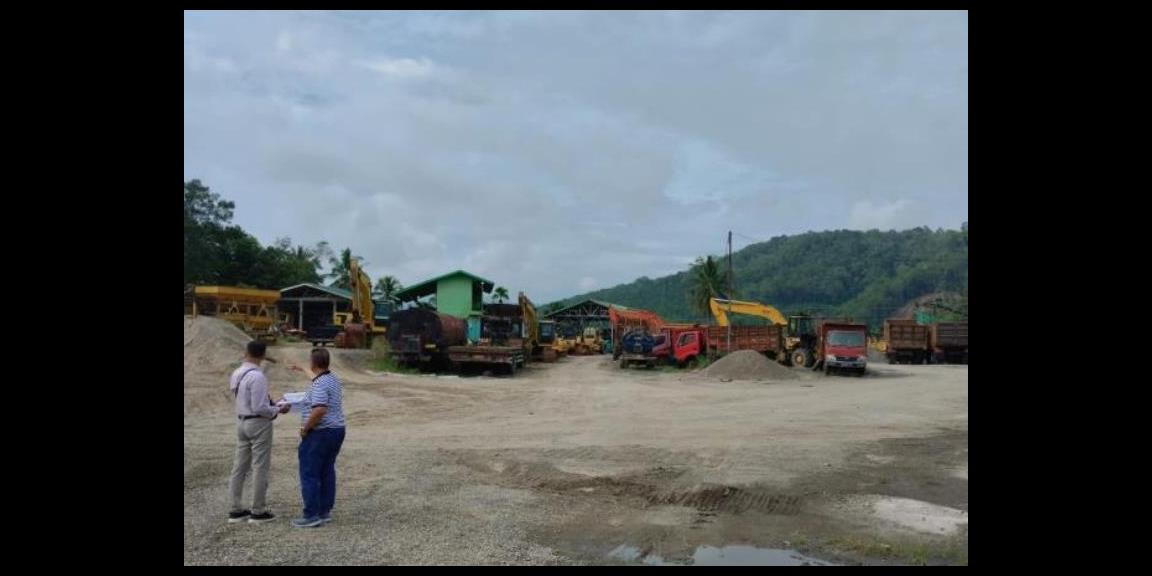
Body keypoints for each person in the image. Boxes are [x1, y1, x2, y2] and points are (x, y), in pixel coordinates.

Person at [227, 340, 291, 524]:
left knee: (239, 467)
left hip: (241, 421)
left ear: (246, 352)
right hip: (258, 423)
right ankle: (258, 510)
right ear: (263, 355)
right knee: (260, 466)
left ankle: (235, 510)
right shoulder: (258, 376)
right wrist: (278, 409)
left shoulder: (237, 373)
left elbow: (245, 399)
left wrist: (270, 405)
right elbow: (260, 407)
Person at [292, 348, 347, 528]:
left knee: (309, 473)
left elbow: (320, 409)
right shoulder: (332, 378)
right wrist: (302, 369)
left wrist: (305, 428)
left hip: (320, 433)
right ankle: (324, 511)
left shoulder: (319, 384)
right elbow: (316, 378)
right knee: (326, 470)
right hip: (336, 430)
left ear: (313, 363)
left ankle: (311, 515)